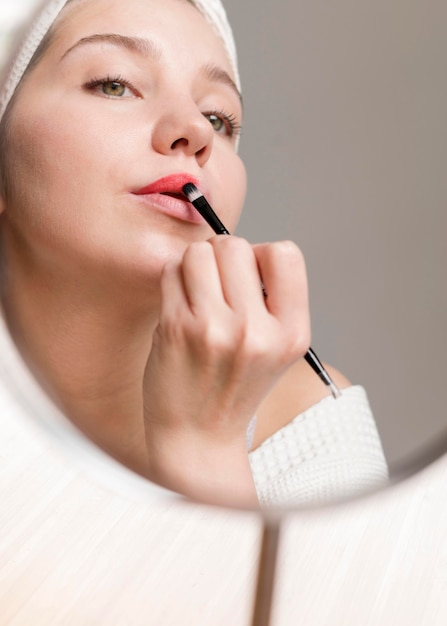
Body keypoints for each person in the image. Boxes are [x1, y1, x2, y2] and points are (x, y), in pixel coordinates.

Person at [0, 0, 388, 508]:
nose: (196, 131)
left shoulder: (311, 427)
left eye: (219, 117)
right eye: (115, 84)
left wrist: (204, 448)